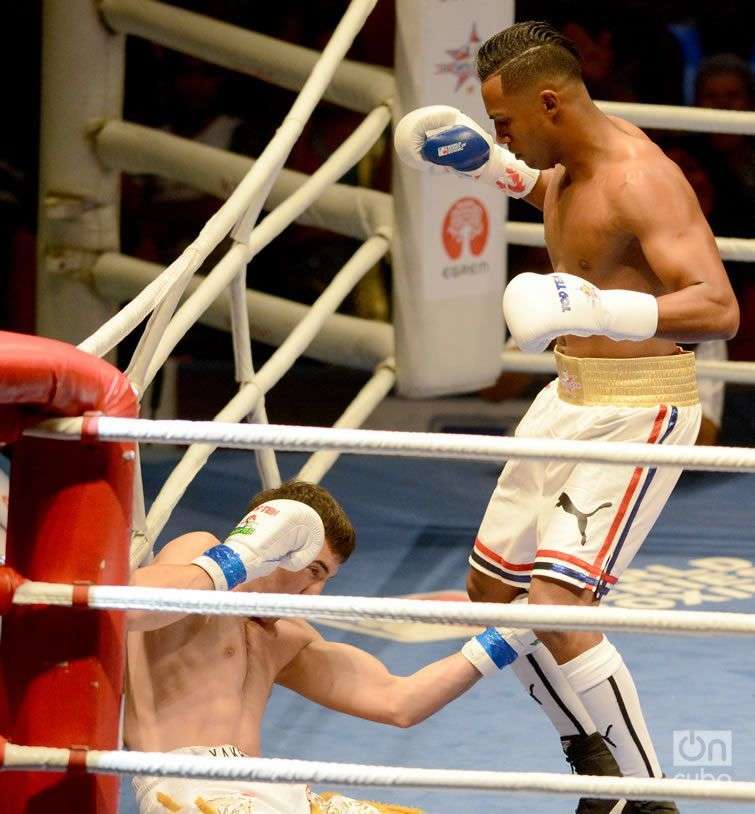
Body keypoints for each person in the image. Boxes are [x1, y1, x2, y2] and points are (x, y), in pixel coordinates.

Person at [394, 20, 739, 814]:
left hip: (638, 406)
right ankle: (596, 770)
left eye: (504, 125)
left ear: (549, 101)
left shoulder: (639, 177)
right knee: (493, 592)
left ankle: (648, 798)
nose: (497, 132)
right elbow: (570, 206)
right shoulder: (573, 164)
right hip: (568, 397)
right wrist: (499, 170)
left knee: (555, 604)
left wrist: (603, 308)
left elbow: (718, 307)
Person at [126, 480, 488, 814]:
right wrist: (235, 561)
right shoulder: (200, 558)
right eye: (313, 571)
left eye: (326, 579)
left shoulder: (286, 637)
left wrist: (506, 638)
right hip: (189, 785)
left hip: (264, 789)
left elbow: (399, 701)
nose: (316, 593)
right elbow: (125, 607)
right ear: (280, 546)